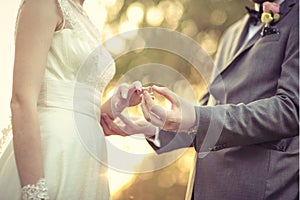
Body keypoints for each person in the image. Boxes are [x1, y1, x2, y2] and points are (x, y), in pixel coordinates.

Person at [101, 0, 299, 199]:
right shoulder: (232, 33)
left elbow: (291, 109)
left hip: (256, 190)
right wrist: (150, 127)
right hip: (205, 189)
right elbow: (206, 116)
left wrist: (196, 117)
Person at [0, 0, 142, 199]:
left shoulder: (86, 21)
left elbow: (82, 111)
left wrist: (116, 104)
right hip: (52, 153)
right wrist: (34, 193)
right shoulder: (43, 4)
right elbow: (21, 99)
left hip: (88, 162)